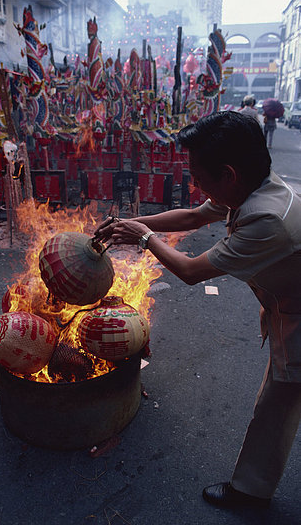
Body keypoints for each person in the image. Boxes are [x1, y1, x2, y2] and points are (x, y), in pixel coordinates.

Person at [94, 111, 301, 509]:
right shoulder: (254, 190)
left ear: (228, 174)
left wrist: (143, 238)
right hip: (287, 307)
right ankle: (253, 487)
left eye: (198, 176)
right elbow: (191, 216)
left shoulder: (266, 220)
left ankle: (250, 493)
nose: (194, 184)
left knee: (277, 403)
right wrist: (129, 224)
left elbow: (189, 271)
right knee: (281, 398)